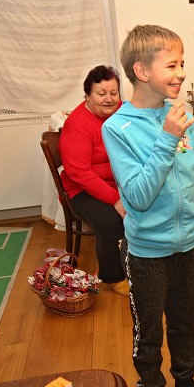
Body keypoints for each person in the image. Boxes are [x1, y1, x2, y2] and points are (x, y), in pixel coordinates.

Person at [101, 25, 194, 387]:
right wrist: (167, 138)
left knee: (185, 322)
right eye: (172, 65)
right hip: (147, 252)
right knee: (148, 330)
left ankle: (186, 382)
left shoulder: (182, 115)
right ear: (141, 71)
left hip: (191, 244)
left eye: (182, 63)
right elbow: (136, 196)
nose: (182, 73)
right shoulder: (117, 128)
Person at [59, 64, 128, 296]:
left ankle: (145, 262)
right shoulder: (77, 126)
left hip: (117, 183)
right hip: (82, 191)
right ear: (87, 95)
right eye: (101, 94)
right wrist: (115, 199)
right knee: (110, 221)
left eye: (114, 93)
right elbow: (80, 173)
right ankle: (113, 276)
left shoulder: (122, 111)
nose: (109, 99)